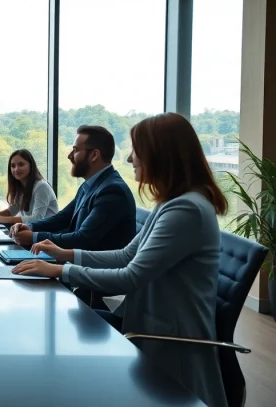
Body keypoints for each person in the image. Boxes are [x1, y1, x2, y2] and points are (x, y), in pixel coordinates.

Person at [13, 113, 227, 407]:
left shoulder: (186, 211)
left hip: (166, 345)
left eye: (136, 151)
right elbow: (127, 254)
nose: (130, 160)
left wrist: (62, 269)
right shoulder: (171, 204)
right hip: (145, 323)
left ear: (160, 155)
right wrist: (65, 254)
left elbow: (130, 276)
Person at [9, 125, 135, 250]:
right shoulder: (89, 185)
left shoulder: (112, 191)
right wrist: (30, 227)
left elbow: (83, 239)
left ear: (94, 155)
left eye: (75, 150)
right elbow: (63, 217)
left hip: (93, 268)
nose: (70, 156)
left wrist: (34, 237)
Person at [0, 149, 58, 224]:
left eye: (21, 164)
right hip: (31, 231)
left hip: (47, 232)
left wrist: (4, 219)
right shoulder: (20, 187)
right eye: (13, 166)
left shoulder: (42, 186)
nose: (16, 169)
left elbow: (37, 218)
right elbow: (12, 211)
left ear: (31, 165)